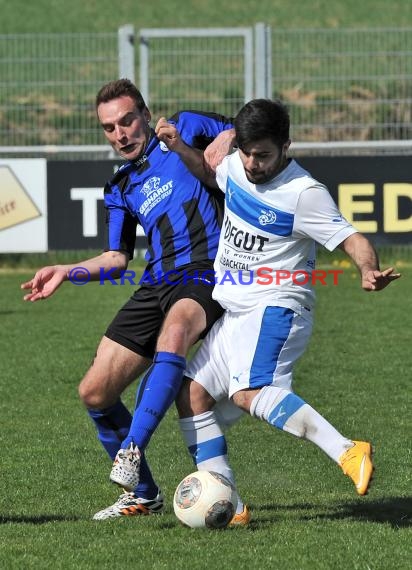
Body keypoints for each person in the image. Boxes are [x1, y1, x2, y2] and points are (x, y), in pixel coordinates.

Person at [155, 98, 400, 518]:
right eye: (248, 152)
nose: (253, 163)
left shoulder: (304, 194)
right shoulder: (236, 163)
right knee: (190, 394)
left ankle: (347, 450)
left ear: (286, 146)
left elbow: (351, 238)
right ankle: (228, 503)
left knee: (251, 393)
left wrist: (367, 269)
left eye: (264, 155)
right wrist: (180, 148)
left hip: (277, 305)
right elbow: (211, 172)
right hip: (236, 311)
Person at [21, 78, 246, 521]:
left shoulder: (184, 126)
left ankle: (133, 447)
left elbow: (253, 123)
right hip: (155, 282)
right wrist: (69, 272)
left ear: (145, 114)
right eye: (109, 128)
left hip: (206, 270)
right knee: (94, 392)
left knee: (176, 332)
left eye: (126, 121)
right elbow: (116, 258)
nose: (120, 134)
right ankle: (143, 494)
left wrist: (228, 135)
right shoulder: (120, 186)